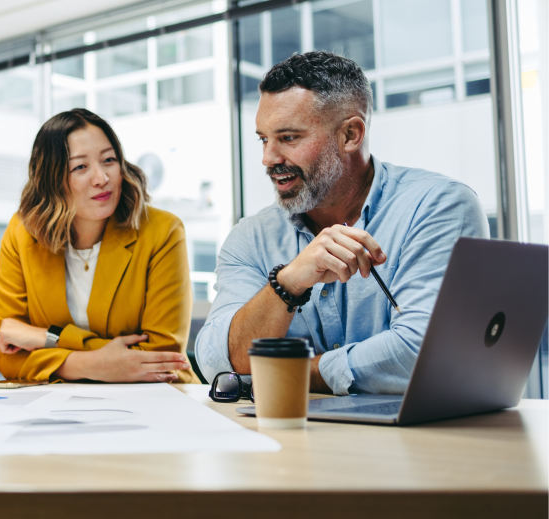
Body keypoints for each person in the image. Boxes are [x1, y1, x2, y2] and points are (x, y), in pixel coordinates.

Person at [195, 51, 488, 395]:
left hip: (418, 441)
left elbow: (425, 353)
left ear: (351, 134)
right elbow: (217, 362)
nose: (268, 159)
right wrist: (287, 284)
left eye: (288, 138)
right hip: (286, 440)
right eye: (263, 139)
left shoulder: (437, 207)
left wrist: (293, 373)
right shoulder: (251, 237)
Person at [0, 108, 196, 383]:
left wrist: (47, 339)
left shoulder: (162, 231)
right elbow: (5, 351)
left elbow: (160, 358)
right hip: (60, 406)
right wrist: (88, 364)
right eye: (80, 167)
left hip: (156, 399)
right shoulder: (21, 232)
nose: (101, 178)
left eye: (109, 160)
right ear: (50, 179)